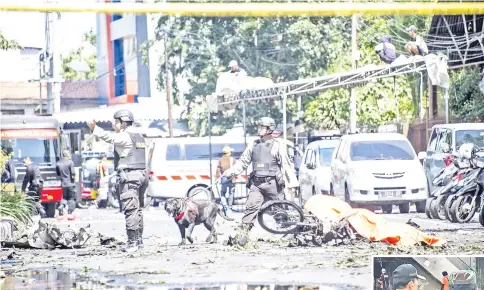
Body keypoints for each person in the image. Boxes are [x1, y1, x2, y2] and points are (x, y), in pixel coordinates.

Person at [223, 117, 299, 245]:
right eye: (259, 127)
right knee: (250, 207)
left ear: (270, 129)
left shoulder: (278, 145)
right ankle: (243, 235)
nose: (259, 129)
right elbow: (243, 162)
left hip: (273, 184)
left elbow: (286, 165)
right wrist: (231, 172)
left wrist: (292, 184)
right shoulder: (253, 145)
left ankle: (290, 233)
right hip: (257, 184)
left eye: (262, 127)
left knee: (279, 211)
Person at [88, 110, 149, 253]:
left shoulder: (125, 135)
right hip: (141, 174)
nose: (114, 125)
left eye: (115, 122)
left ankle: (132, 243)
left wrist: (94, 128)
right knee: (137, 209)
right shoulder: (138, 136)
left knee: (130, 210)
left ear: (122, 123)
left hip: (130, 176)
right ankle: (139, 242)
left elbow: (109, 138)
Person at [56, 150, 77, 219]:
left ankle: (61, 206)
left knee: (64, 197)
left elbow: (58, 174)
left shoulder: (58, 163)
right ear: (68, 155)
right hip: (70, 183)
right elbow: (73, 173)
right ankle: (70, 211)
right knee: (71, 198)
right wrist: (74, 180)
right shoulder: (70, 162)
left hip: (63, 184)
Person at [215, 146, 237, 212]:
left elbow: (218, 169)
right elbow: (236, 169)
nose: (231, 153)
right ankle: (230, 207)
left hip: (223, 178)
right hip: (231, 178)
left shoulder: (220, 160)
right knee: (231, 193)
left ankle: (225, 206)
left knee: (223, 193)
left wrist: (217, 178)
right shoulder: (233, 160)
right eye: (230, 152)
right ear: (228, 153)